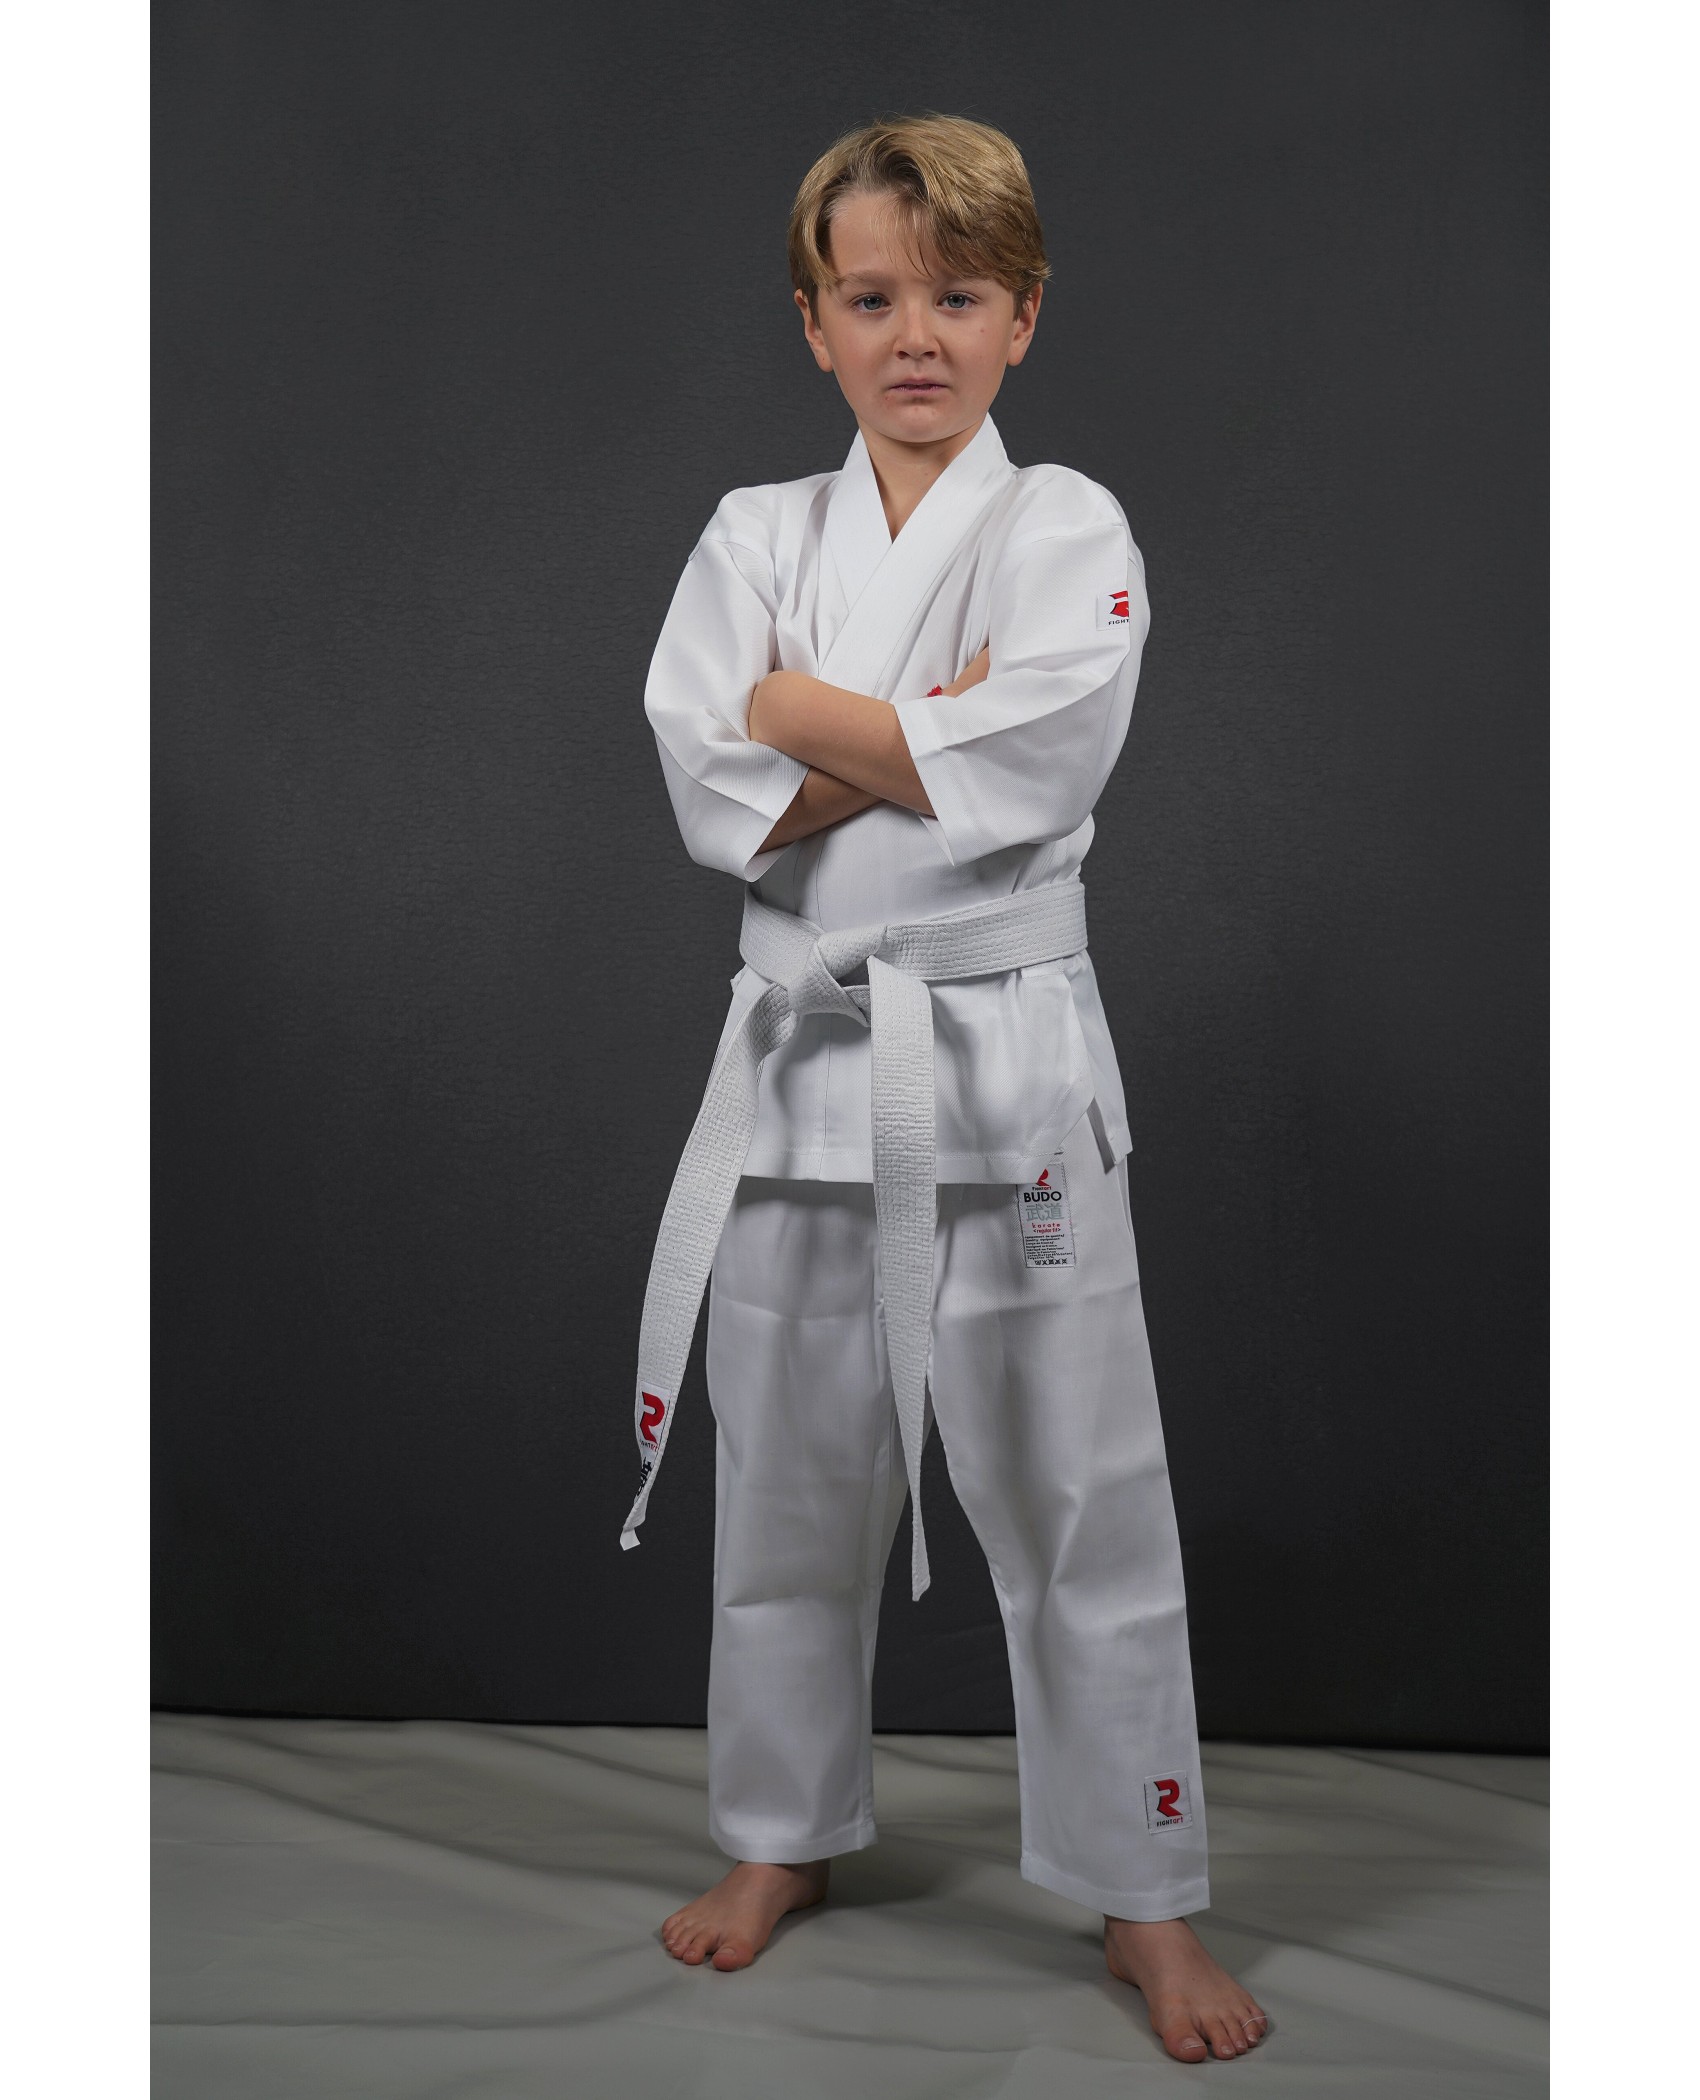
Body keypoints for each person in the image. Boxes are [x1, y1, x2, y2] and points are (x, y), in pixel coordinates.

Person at [626, 114, 1269, 2066]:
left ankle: (1144, 1892)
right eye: (874, 296)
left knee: (1085, 1500)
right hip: (809, 1068)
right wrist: (914, 725)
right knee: (792, 1487)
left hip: (1006, 1072)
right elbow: (705, 785)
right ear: (814, 324)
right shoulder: (756, 533)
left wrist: (802, 712)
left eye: (958, 296)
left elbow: (1043, 758)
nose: (918, 334)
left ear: (1023, 317)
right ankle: (779, 1833)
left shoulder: (1064, 524)